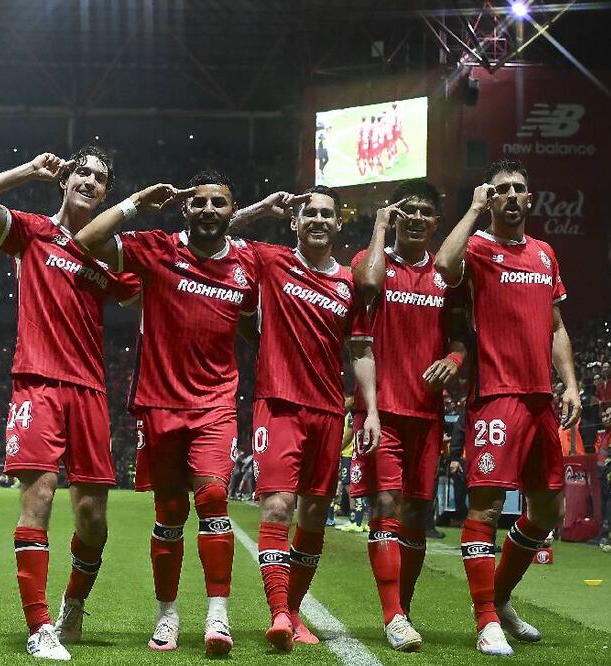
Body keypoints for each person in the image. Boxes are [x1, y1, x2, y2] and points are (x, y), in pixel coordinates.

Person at [0, 147, 140, 661]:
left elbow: (153, 291)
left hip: (90, 391)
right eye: (82, 171)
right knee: (39, 498)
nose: (90, 181)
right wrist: (29, 170)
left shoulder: (110, 253)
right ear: (66, 180)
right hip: (37, 382)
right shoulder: (31, 232)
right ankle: (39, 627)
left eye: (101, 178)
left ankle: (72, 605)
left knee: (92, 516)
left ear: (107, 193)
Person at [73, 171, 253, 657]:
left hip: (215, 403)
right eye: (199, 203)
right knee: (170, 513)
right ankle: (167, 615)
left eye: (219, 202)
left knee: (214, 496)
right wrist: (134, 201)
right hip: (158, 404)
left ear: (232, 211)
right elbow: (86, 238)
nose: (209, 210)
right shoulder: (157, 248)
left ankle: (218, 613)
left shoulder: (248, 264)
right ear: (185, 209)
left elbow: (260, 325)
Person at [435, 159, 581, 657]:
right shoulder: (477, 249)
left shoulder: (545, 254)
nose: (513, 196)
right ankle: (485, 622)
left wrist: (571, 385)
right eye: (503, 190)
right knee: (487, 507)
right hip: (497, 395)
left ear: (530, 198)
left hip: (542, 399)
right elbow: (442, 265)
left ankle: (498, 597)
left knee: (548, 510)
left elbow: (556, 326)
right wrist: (474, 208)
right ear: (492, 198)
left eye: (520, 188)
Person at [227, 187, 380, 651]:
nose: (316, 219)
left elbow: (360, 349)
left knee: (314, 516)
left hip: (329, 410)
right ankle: (278, 612)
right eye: (308, 213)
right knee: (277, 508)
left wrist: (369, 408)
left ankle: (293, 613)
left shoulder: (349, 285)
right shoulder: (271, 260)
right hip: (277, 405)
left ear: (338, 225)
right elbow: (214, 235)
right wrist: (256, 209)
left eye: (325, 214)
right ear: (294, 223)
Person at [349, 179, 465, 652]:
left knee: (418, 514)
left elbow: (460, 340)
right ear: (396, 216)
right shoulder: (372, 260)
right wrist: (378, 224)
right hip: (381, 413)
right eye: (408, 210)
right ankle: (392, 614)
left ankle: (404, 609)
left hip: (428, 414)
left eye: (425, 212)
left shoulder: (447, 277)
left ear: (436, 222)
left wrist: (455, 362)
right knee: (387, 508)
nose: (416, 218)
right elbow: (368, 284)